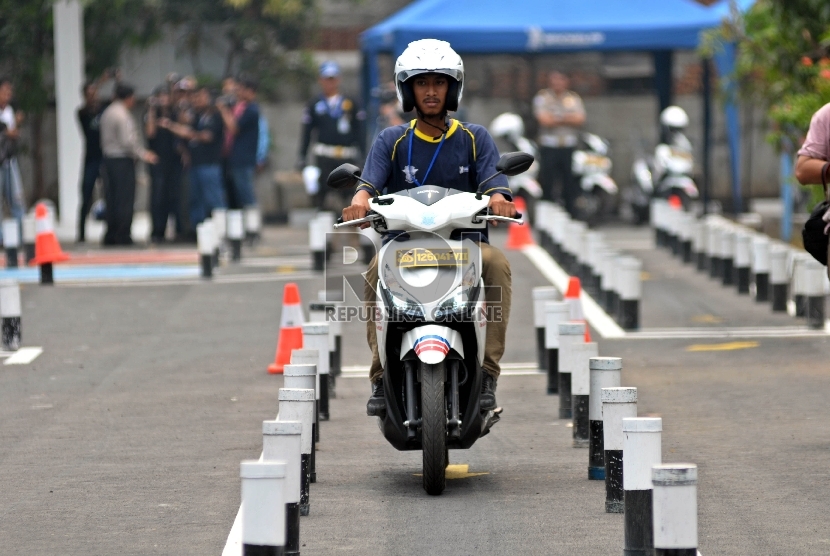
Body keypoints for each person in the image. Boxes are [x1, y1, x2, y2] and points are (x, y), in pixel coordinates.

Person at [340, 39, 515, 416]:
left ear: (453, 87)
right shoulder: (391, 139)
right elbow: (366, 186)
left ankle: (487, 373)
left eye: (439, 82)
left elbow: (495, 181)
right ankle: (379, 375)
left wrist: (500, 199)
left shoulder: (475, 137)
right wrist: (357, 204)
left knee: (498, 263)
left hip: (466, 245)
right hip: (404, 246)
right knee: (371, 273)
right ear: (408, 90)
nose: (431, 91)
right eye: (422, 83)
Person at [298, 61, 366, 208]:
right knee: (323, 193)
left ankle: (351, 226)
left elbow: (360, 130)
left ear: (339, 79)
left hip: (346, 155)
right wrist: (302, 156)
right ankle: (324, 225)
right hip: (324, 156)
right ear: (320, 80)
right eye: (327, 78)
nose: (330, 82)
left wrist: (364, 154)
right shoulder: (314, 104)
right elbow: (307, 132)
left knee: (349, 194)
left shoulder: (351, 102)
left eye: (333, 78)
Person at [160, 86, 227, 227]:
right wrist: (173, 124)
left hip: (209, 164)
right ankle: (199, 230)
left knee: (213, 199)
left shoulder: (215, 117)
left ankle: (221, 230)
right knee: (196, 200)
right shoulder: (198, 116)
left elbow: (206, 136)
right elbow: (186, 129)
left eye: (201, 97)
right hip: (195, 164)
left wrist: (190, 133)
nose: (197, 100)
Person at [100, 83, 158, 245]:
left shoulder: (107, 113)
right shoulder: (122, 115)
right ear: (129, 98)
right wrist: (142, 153)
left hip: (108, 159)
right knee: (124, 199)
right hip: (122, 160)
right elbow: (128, 141)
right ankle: (122, 234)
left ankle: (111, 233)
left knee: (111, 198)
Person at [533, 71, 585, 216]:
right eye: (554, 80)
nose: (557, 84)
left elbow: (579, 119)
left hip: (568, 146)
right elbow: (544, 121)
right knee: (548, 181)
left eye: (561, 80)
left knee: (570, 182)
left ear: (566, 82)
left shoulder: (573, 98)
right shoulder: (543, 98)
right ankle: (547, 214)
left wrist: (556, 118)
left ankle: (571, 213)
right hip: (549, 146)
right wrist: (567, 118)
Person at [144, 85, 184, 243]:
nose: (164, 101)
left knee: (174, 196)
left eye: (166, 97)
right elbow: (150, 132)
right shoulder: (150, 115)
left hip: (173, 161)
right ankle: (157, 230)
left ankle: (176, 230)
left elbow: (183, 128)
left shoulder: (174, 114)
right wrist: (152, 110)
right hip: (158, 161)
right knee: (157, 197)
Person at [77, 78, 112, 242]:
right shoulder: (82, 113)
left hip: (103, 157)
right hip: (91, 158)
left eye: (94, 93)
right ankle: (81, 233)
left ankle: (109, 230)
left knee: (108, 193)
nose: (93, 97)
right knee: (86, 194)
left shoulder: (103, 109)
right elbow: (85, 112)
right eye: (89, 94)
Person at [218, 75, 260, 209]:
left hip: (244, 158)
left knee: (246, 192)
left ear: (250, 91)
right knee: (237, 193)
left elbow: (234, 128)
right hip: (234, 157)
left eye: (241, 90)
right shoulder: (240, 108)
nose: (238, 93)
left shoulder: (252, 110)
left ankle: (253, 224)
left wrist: (223, 110)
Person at [0, 78, 27, 241]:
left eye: (9, 92)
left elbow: (13, 133)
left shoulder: (10, 110)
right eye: (4, 92)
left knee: (16, 198)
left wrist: (16, 125)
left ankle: (20, 235)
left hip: (9, 160)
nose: (7, 95)